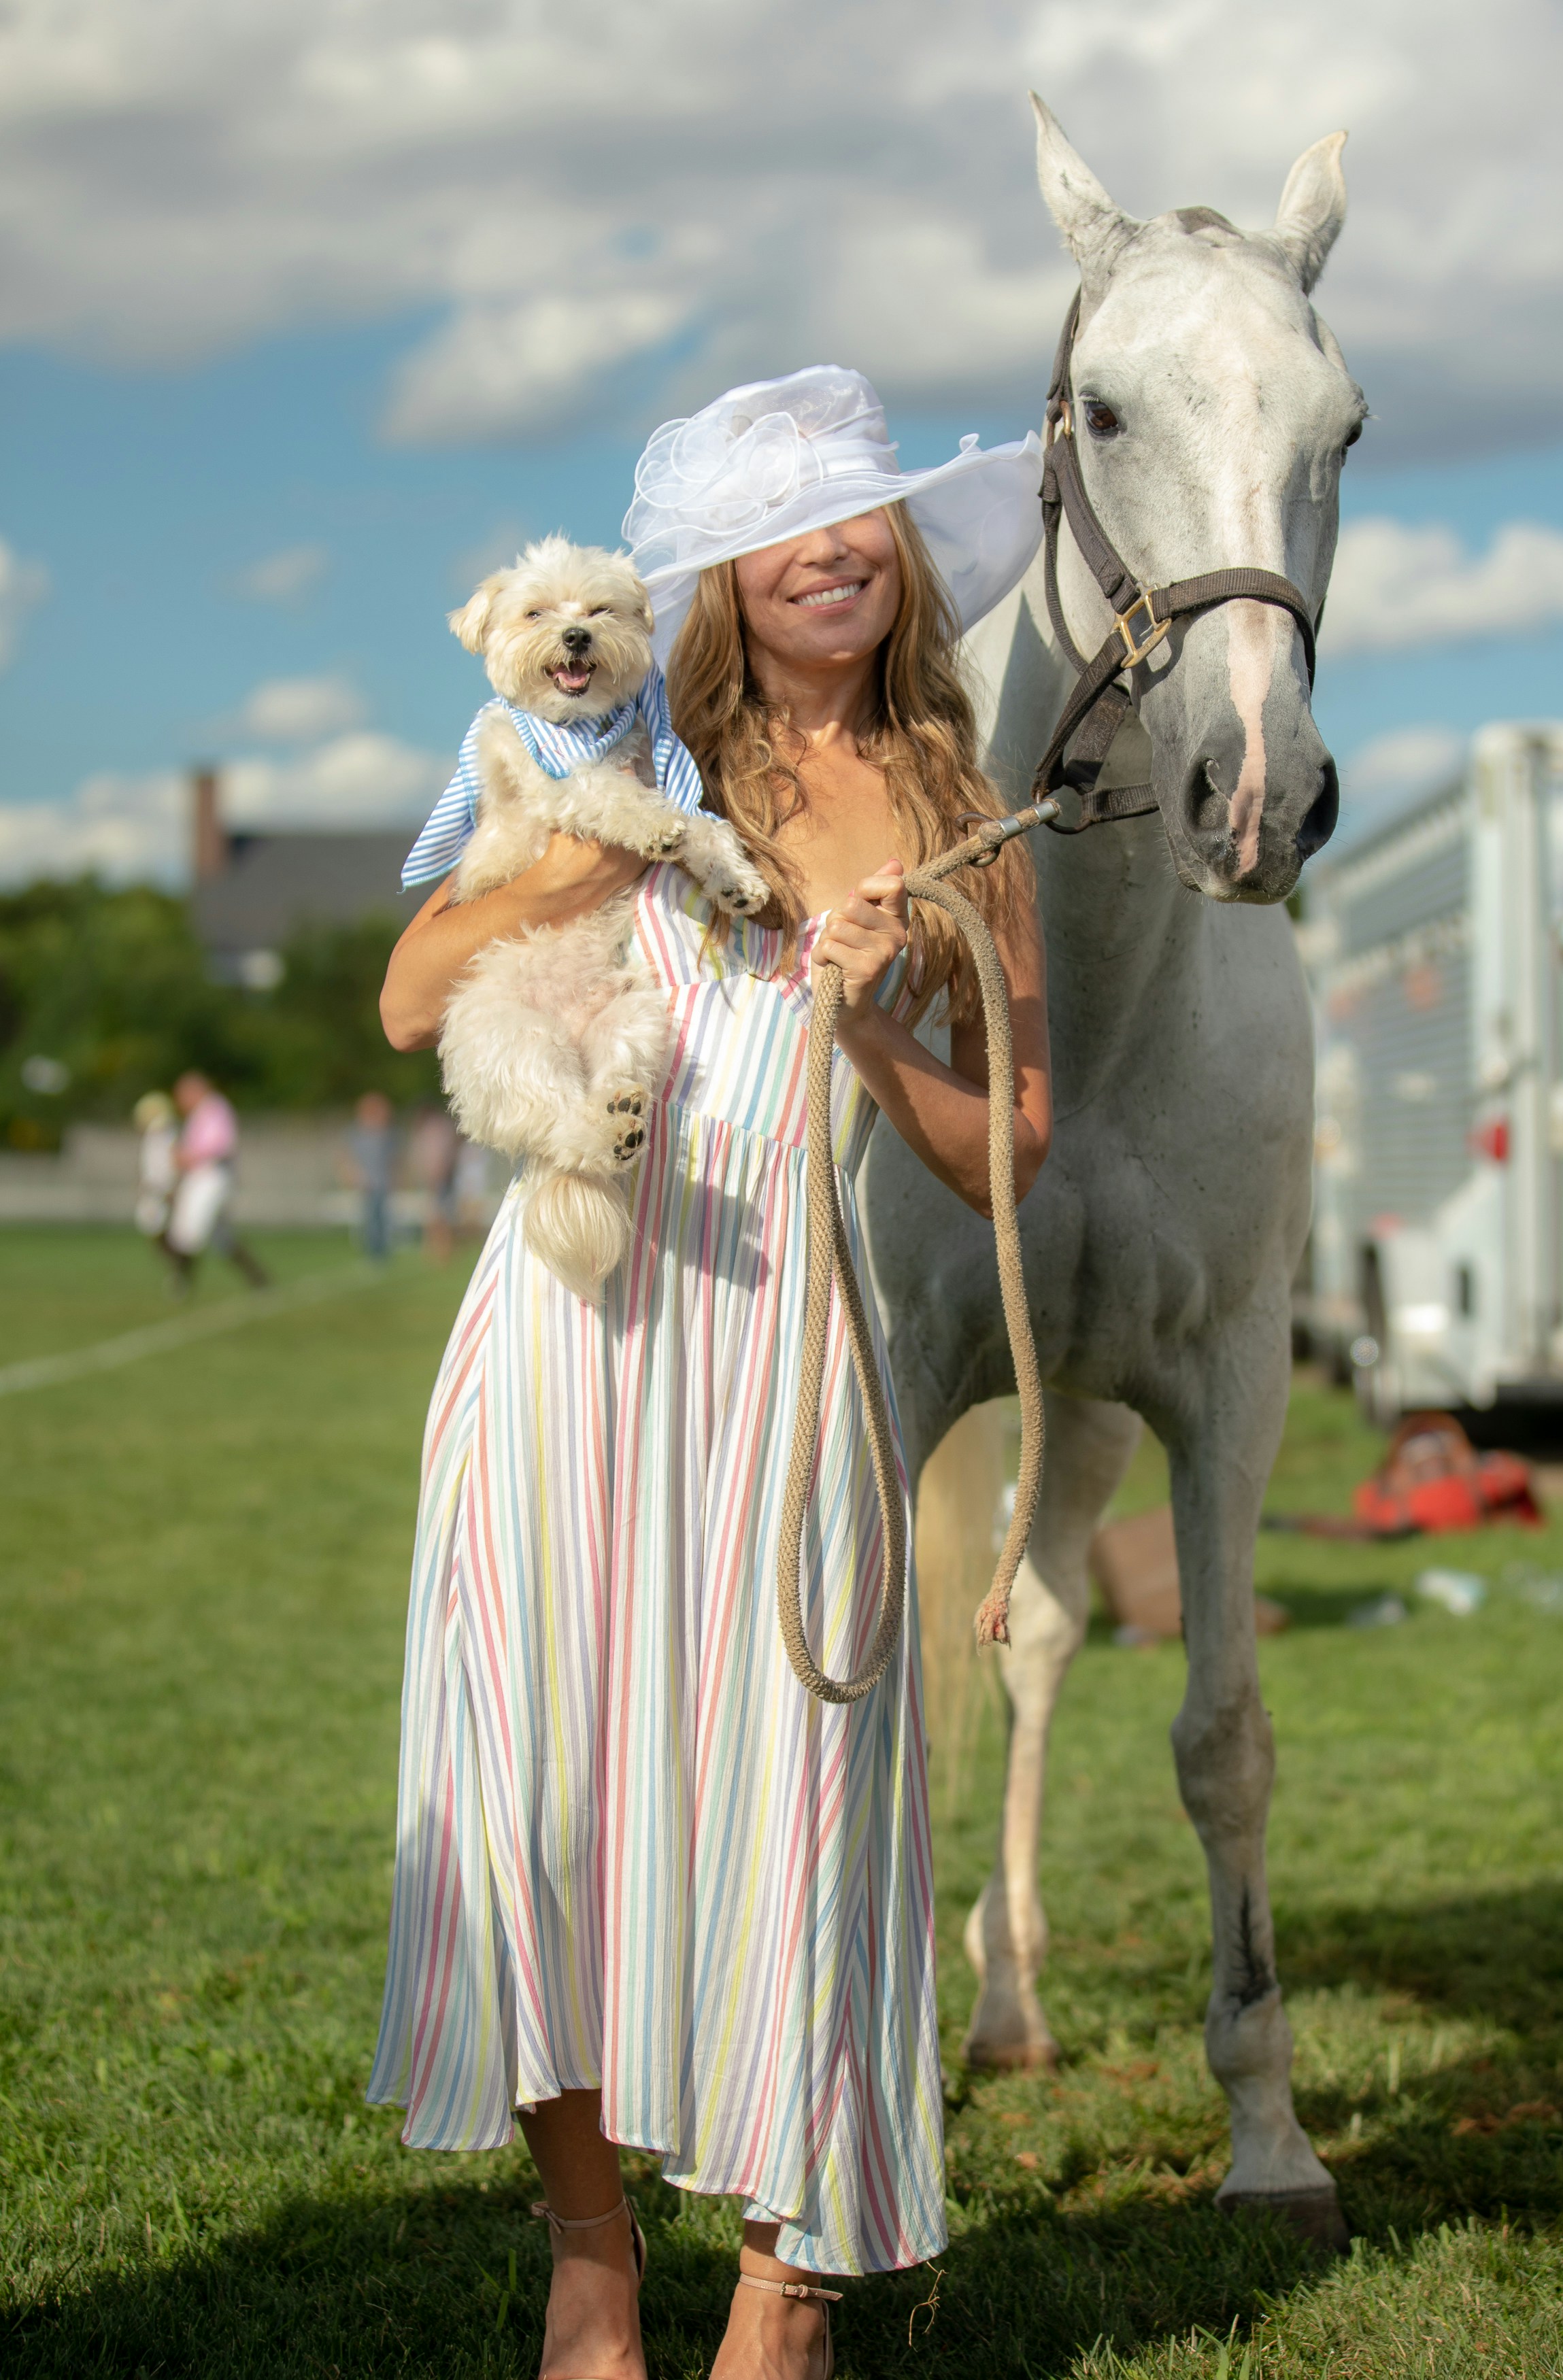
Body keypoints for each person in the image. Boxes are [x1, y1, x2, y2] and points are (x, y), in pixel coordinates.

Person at [369, 368, 1051, 2380]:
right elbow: (413, 996)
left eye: (866, 509)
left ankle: (786, 2276)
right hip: (571, 1334)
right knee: (541, 1795)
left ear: (905, 551)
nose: (837, 542)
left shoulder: (957, 802)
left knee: (800, 1806)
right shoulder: (611, 746)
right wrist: (595, 856)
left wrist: (863, 1029)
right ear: (717, 575)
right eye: (787, 520)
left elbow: (1010, 1138)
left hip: (790, 1348)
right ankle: (590, 2264)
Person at [165, 1071, 271, 1293]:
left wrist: (189, 1156)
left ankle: (180, 1282)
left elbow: (221, 1145)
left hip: (212, 1176)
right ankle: (258, 1278)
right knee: (219, 1236)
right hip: (202, 1176)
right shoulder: (200, 1113)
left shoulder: (214, 1109)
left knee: (190, 1227)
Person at [346, 1090, 398, 1261]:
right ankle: (374, 1252)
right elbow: (347, 1156)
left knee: (381, 1217)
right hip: (367, 1182)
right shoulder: (358, 1134)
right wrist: (354, 1175)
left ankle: (380, 1252)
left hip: (382, 1182)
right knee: (372, 1218)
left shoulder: (386, 1134)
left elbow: (392, 1159)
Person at [408, 1102, 460, 1261]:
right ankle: (436, 1248)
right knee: (435, 1214)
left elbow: (441, 1155)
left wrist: (437, 1174)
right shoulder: (432, 1129)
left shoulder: (434, 1130)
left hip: (439, 1178)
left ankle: (443, 1249)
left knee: (440, 1215)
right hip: (434, 1177)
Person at [131, 1089, 179, 1259]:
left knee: (169, 1229)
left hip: (164, 1189)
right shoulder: (152, 1138)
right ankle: (178, 1266)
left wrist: (172, 1187)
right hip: (154, 1189)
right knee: (152, 1227)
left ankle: (180, 1266)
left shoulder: (165, 1136)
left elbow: (169, 1164)